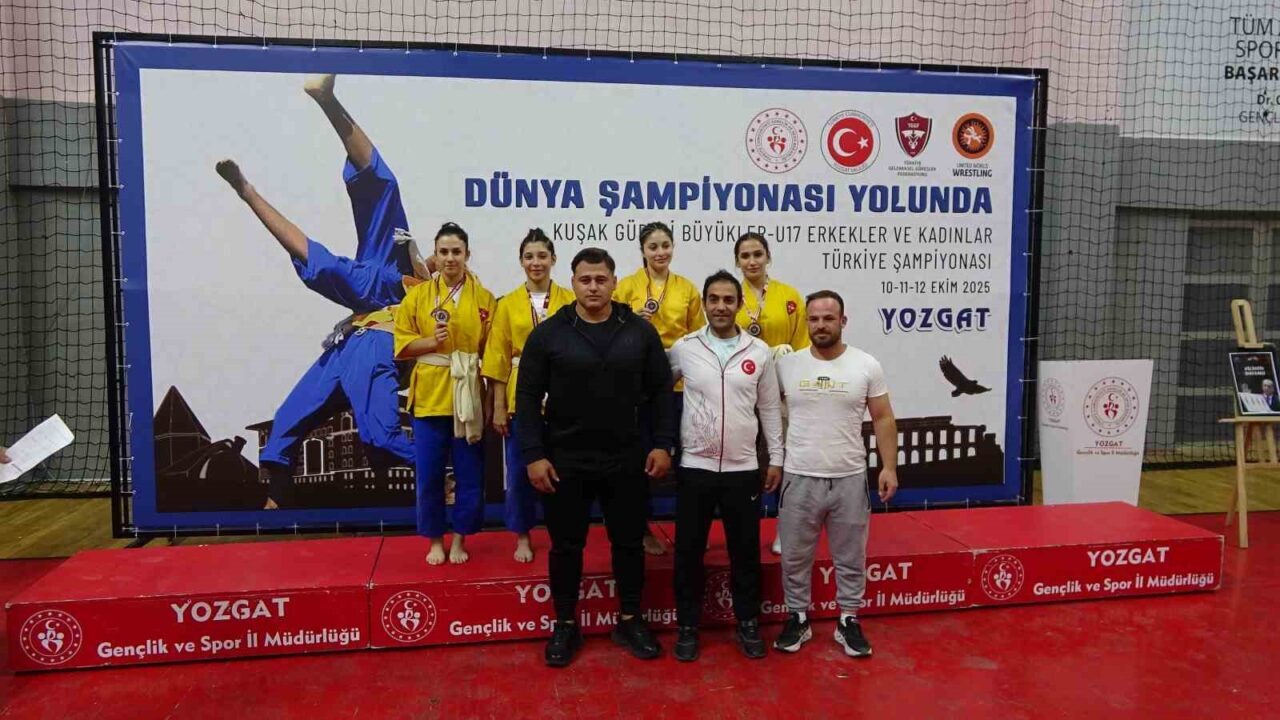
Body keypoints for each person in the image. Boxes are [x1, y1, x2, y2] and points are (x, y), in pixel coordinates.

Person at [215, 73, 426, 510]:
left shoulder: (434, 287)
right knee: (289, 418)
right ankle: (255, 184)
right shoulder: (392, 260)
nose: (446, 259)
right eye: (442, 254)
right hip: (354, 332)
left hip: (383, 328)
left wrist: (420, 281)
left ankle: (443, 472)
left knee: (380, 436)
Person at [515, 247, 675, 667]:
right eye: (585, 280)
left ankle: (630, 619)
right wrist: (533, 454)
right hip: (565, 459)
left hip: (626, 457)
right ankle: (566, 624)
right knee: (566, 546)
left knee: (629, 543)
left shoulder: (639, 332)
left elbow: (662, 391)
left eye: (601, 279)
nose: (593, 287)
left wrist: (663, 443)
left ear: (614, 282)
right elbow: (526, 397)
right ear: (573, 283)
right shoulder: (549, 334)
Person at [774, 290, 899, 658]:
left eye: (828, 318)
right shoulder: (786, 366)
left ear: (842, 321)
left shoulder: (866, 364)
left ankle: (848, 619)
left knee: (850, 557)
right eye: (814, 319)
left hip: (849, 478)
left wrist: (889, 467)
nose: (821, 325)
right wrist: (774, 461)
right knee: (794, 557)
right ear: (806, 322)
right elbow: (767, 413)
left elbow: (883, 417)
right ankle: (798, 617)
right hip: (798, 477)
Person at [667, 270, 783, 662]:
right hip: (694, 466)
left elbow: (770, 408)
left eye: (728, 300)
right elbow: (656, 391)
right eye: (713, 299)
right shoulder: (685, 348)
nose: (720, 306)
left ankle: (748, 622)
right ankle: (687, 625)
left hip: (742, 469)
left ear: (739, 304)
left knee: (745, 551)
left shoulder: (759, 352)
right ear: (704, 303)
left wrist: (776, 458)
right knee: (688, 551)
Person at [394, 223, 496, 565]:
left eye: (457, 252)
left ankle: (460, 539)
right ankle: (435, 539)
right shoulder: (417, 296)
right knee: (429, 474)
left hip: (468, 393)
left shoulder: (484, 299)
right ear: (435, 256)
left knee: (469, 474)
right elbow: (402, 345)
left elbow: (492, 353)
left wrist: (491, 401)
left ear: (467, 255)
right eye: (444, 252)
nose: (450, 258)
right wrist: (430, 342)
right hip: (429, 396)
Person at [483, 229, 575, 562]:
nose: (536, 262)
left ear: (553, 259)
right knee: (521, 469)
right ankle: (522, 534)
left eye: (542, 256)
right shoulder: (507, 304)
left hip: (565, 394)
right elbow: (497, 357)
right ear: (521, 261)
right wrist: (498, 407)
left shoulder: (570, 301)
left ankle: (562, 530)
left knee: (564, 468)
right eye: (529, 257)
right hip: (521, 393)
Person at [613, 221, 704, 556]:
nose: (660, 252)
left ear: (673, 247)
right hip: (637, 383)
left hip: (679, 383)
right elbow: (611, 328)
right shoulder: (626, 287)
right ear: (642, 250)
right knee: (639, 458)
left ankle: (689, 529)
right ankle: (642, 529)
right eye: (653, 247)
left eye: (665, 245)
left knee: (687, 460)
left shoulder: (687, 289)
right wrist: (632, 322)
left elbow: (698, 337)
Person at [732, 231, 809, 555]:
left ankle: (785, 529)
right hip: (741, 391)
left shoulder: (789, 296)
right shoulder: (730, 295)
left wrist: (794, 387)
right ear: (737, 262)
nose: (752, 261)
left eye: (757, 254)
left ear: (768, 257)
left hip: (781, 393)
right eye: (745, 256)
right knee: (745, 462)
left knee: (785, 460)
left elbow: (802, 345)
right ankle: (743, 530)